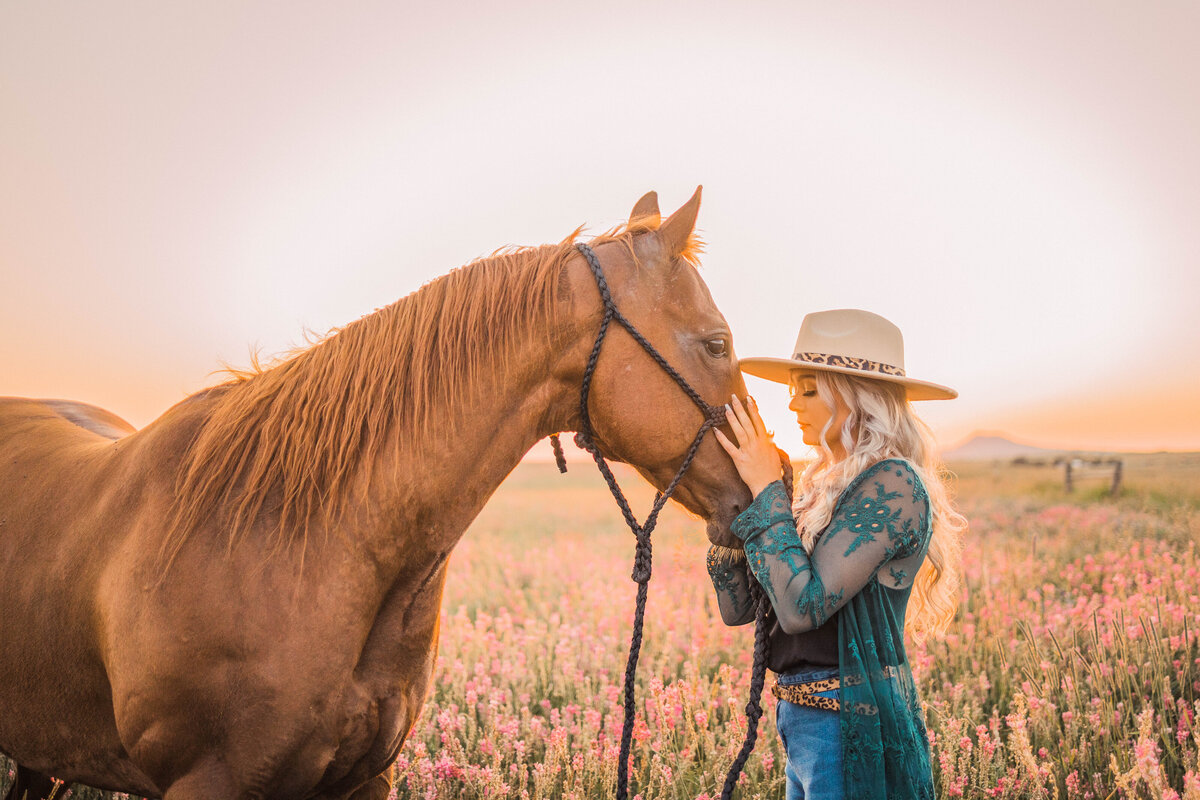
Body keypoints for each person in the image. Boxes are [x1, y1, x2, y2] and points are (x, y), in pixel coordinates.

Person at [707, 309, 965, 800]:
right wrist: (726, 502)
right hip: (800, 722)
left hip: (849, 726)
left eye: (808, 389)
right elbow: (738, 610)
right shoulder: (817, 488)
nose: (794, 406)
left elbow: (803, 608)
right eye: (792, 392)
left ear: (855, 395)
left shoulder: (893, 484)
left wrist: (766, 491)